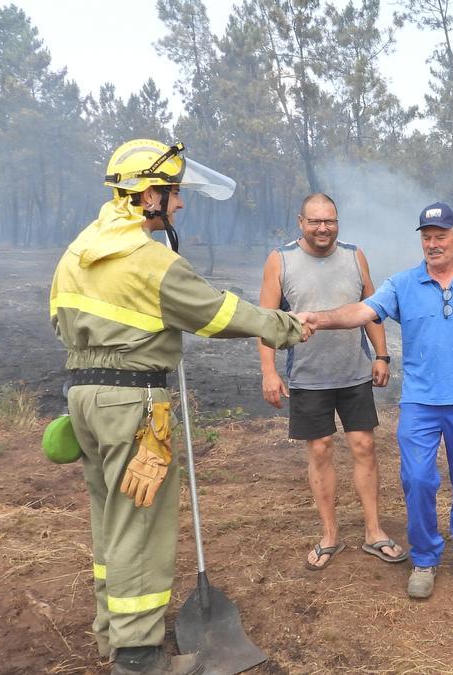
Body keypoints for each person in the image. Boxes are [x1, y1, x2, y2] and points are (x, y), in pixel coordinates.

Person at [51, 139, 314, 675]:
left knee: (111, 523)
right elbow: (217, 313)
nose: (180, 203)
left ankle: (112, 634)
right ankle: (139, 657)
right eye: (174, 193)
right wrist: (285, 326)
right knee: (142, 526)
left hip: (84, 399)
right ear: (148, 195)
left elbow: (58, 320)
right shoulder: (149, 259)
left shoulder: (77, 250)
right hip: (135, 405)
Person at [308, 201, 453, 600]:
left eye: (440, 236)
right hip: (420, 405)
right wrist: (319, 319)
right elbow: (362, 311)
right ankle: (424, 559)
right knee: (418, 480)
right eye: (426, 237)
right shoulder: (403, 284)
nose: (432, 244)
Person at [257, 193, 405, 570]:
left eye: (330, 221)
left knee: (363, 446)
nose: (323, 228)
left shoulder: (355, 256)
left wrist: (382, 355)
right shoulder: (280, 260)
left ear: (338, 222)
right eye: (315, 221)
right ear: (300, 222)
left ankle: (374, 532)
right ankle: (330, 536)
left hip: (353, 372)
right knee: (320, 449)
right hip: (308, 375)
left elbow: (373, 311)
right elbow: (265, 322)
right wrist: (269, 371)